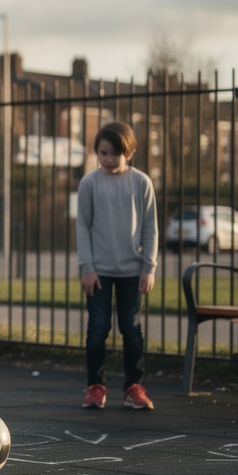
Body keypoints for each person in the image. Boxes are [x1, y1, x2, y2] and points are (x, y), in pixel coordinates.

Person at [75, 121, 158, 411]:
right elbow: (82, 228)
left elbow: (150, 228)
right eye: (103, 152)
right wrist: (87, 266)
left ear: (129, 152)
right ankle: (95, 386)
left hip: (132, 272)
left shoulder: (141, 183)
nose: (108, 159)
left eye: (115, 154)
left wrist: (149, 266)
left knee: (131, 328)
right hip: (97, 271)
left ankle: (134, 386)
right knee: (97, 329)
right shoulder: (89, 183)